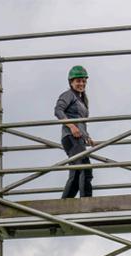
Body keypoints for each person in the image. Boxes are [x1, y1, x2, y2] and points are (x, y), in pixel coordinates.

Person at [54, 65, 94, 198]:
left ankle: (64, 203)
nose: (81, 83)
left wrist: (87, 137)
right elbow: (58, 110)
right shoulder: (68, 95)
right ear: (71, 82)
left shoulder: (82, 99)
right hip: (70, 137)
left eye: (83, 81)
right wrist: (71, 126)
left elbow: (81, 121)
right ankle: (87, 202)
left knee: (77, 173)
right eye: (78, 81)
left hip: (79, 138)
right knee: (85, 169)